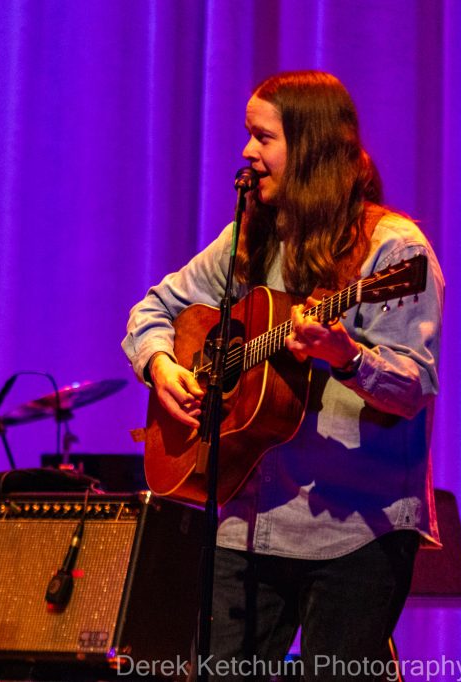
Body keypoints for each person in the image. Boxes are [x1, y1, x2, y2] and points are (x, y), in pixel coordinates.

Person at [123, 70, 443, 680]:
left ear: (312, 147)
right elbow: (154, 310)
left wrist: (346, 357)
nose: (246, 151)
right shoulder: (252, 235)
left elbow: (414, 388)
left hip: (353, 530)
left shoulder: (393, 251)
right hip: (247, 520)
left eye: (261, 137)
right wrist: (161, 364)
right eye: (248, 134)